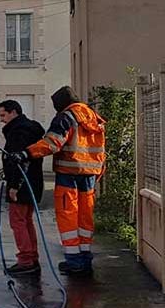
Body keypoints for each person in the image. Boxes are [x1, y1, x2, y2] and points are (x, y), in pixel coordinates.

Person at [16, 86, 106, 277]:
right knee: (84, 218)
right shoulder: (93, 117)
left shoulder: (66, 117)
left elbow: (52, 143)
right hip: (89, 174)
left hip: (69, 173)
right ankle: (85, 259)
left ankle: (73, 261)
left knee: (68, 217)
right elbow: (100, 150)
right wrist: (97, 173)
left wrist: (27, 153)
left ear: (60, 103)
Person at [0, 100, 46, 276]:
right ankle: (32, 257)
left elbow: (19, 161)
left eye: (3, 115)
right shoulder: (32, 129)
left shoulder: (18, 132)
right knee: (26, 220)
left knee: (18, 221)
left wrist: (14, 186)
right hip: (34, 182)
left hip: (22, 183)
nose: (2, 120)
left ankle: (25, 260)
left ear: (13, 112)